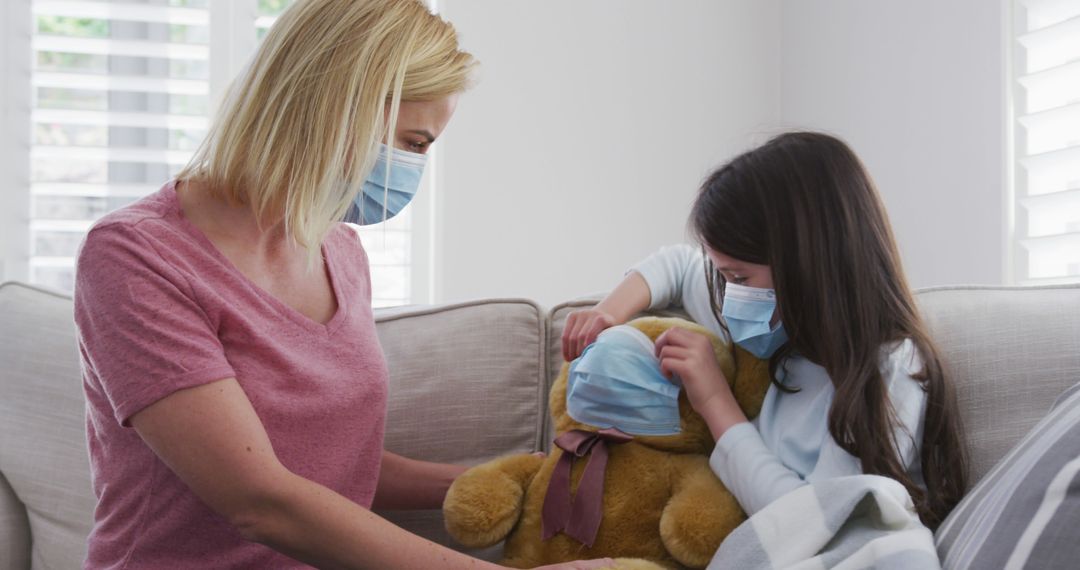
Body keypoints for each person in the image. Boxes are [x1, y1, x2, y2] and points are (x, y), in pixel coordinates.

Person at [73, 0, 610, 568]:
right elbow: (257, 501)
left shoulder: (339, 250)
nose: (414, 166)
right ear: (332, 107)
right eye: (413, 142)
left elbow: (333, 466)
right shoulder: (135, 256)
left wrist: (528, 478)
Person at [562, 131, 967, 529]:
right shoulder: (774, 322)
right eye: (724, 276)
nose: (729, 296)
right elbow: (679, 264)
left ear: (810, 264)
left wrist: (715, 401)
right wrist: (609, 313)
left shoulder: (888, 373)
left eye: (739, 277)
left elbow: (812, 525)